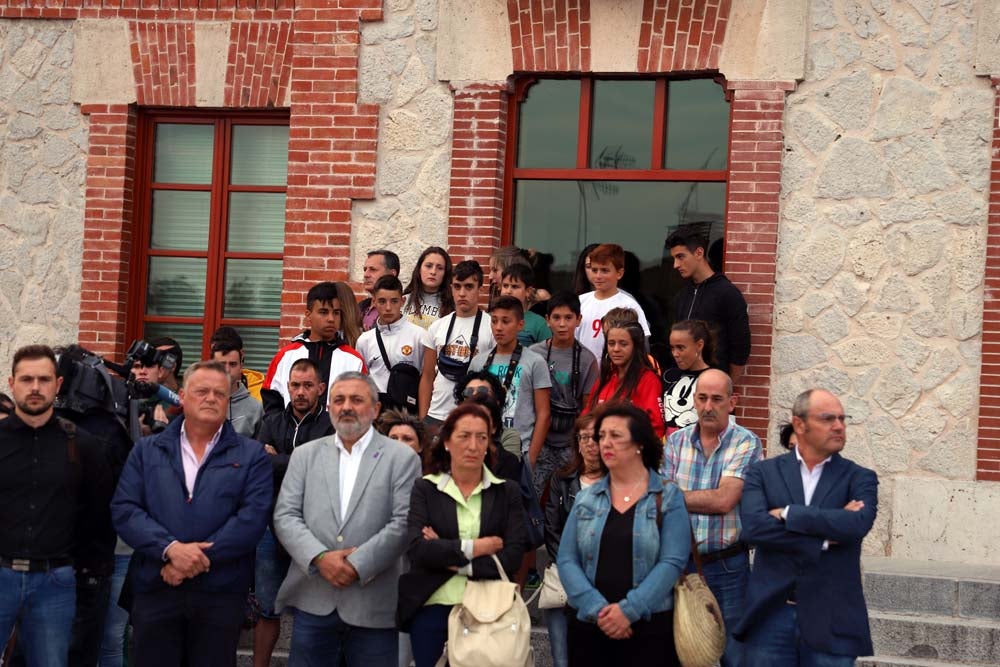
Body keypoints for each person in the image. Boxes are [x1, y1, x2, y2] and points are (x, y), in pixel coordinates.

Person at [111, 360, 272, 667]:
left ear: (228, 402)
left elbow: (252, 518)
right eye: (202, 391)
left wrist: (192, 561)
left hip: (220, 595)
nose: (211, 398)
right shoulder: (147, 450)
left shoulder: (251, 456)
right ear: (182, 396)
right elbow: (125, 509)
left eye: (219, 394)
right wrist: (169, 550)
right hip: (157, 586)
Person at [273, 372, 421, 667]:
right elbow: (285, 515)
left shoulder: (402, 459)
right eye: (338, 400)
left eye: (357, 399)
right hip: (314, 600)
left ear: (376, 409)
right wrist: (320, 558)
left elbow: (403, 522)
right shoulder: (304, 456)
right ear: (329, 407)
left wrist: (356, 564)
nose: (347, 407)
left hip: (374, 604)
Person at [736, 389, 878, 666]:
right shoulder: (763, 473)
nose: (839, 426)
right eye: (828, 419)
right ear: (799, 425)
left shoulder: (859, 477)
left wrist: (790, 514)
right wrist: (823, 538)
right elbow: (754, 529)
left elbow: (856, 524)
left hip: (832, 617)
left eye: (841, 418)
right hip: (770, 616)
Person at [0, 345, 115, 667]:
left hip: (55, 582)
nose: (35, 388)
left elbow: (99, 517)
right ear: (12, 383)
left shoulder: (83, 445)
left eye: (43, 379)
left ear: (58, 384)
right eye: (26, 379)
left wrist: (84, 574)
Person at [396, 403, 528, 667]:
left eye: (482, 437)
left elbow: (512, 555)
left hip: (489, 609)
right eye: (464, 436)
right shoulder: (426, 489)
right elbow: (419, 549)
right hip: (432, 605)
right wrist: (476, 547)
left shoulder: (507, 492)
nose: (473, 445)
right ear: (446, 442)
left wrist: (452, 558)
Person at [557, 403, 688, 665]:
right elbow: (567, 559)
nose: (605, 443)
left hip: (649, 629)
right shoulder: (586, 499)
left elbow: (672, 561)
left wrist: (628, 611)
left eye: (615, 436)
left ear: (639, 443)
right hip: (589, 628)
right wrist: (599, 610)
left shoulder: (667, 496)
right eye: (602, 435)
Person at [662, 368, 762, 667]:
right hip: (681, 564)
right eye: (702, 398)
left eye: (716, 399)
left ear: (732, 402)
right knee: (683, 650)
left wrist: (679, 498)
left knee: (733, 653)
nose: (708, 406)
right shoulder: (676, 442)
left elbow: (724, 500)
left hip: (728, 566)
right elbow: (661, 501)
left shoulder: (746, 442)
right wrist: (681, 499)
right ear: (694, 400)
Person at [253, 359, 334, 667]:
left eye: (307, 386)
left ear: (320, 389)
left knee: (308, 609)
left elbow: (324, 469)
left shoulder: (330, 425)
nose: (300, 392)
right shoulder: (272, 421)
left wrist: (279, 460)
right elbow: (259, 466)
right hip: (270, 527)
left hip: (314, 532)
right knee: (267, 608)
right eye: (295, 385)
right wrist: (300, 461)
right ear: (287, 387)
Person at [542, 414, 603, 667]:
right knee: (562, 657)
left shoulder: (618, 484)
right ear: (576, 443)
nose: (590, 443)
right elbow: (551, 527)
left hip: (603, 580)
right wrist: (571, 567)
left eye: (596, 437)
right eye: (584, 437)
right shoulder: (562, 479)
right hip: (563, 579)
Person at [530, 292, 600, 499]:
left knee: (569, 498)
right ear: (547, 320)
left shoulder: (587, 359)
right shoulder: (534, 354)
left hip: (570, 443)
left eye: (568, 318)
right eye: (556, 318)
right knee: (531, 496)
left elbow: (588, 407)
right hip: (539, 439)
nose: (562, 324)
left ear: (578, 320)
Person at [470, 296, 551, 473]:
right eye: (494, 321)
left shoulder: (535, 362)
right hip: (482, 449)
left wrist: (531, 456)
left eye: (506, 321)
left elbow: (544, 413)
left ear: (520, 325)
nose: (498, 327)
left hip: (519, 451)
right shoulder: (478, 362)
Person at [263, 281, 366, 413]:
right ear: (308, 315)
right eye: (323, 312)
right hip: (291, 432)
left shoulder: (354, 359)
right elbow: (271, 400)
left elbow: (362, 404)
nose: (331, 319)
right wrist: (283, 430)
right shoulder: (285, 356)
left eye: (336, 313)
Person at [667, 228, 752, 384]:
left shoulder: (727, 294)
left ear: (699, 253)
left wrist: (725, 387)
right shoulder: (681, 297)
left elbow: (741, 348)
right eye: (674, 258)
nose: (676, 264)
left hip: (713, 388)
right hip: (683, 389)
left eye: (680, 257)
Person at [418, 260, 495, 432]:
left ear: (480, 290)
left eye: (469, 287)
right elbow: (428, 375)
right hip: (436, 415)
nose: (462, 293)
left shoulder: (492, 327)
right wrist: (423, 418)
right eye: (457, 286)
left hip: (474, 415)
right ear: (451, 288)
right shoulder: (437, 326)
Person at [355, 275, 431, 411]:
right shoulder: (364, 340)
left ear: (402, 301)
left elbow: (427, 380)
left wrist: (422, 418)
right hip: (375, 411)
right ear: (374, 302)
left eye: (394, 301)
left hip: (408, 410)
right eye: (382, 301)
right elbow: (361, 382)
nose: (388, 308)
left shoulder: (420, 336)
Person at [586, 318, 665, 439]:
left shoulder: (648, 380)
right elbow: (586, 417)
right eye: (611, 343)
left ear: (636, 346)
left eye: (623, 344)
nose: (616, 349)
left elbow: (656, 428)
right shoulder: (605, 378)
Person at [574, 243, 651, 363]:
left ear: (619, 273)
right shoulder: (579, 302)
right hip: (583, 374)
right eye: (594, 270)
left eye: (605, 270)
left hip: (616, 376)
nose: (598, 276)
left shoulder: (629, 305)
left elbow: (642, 346)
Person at [452, 371, 521, 479]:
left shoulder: (508, 437)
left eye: (482, 391)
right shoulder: (449, 435)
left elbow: (508, 470)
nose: (474, 397)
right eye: (468, 392)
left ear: (497, 401)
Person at [662, 320, 714, 436]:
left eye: (681, 348)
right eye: (672, 348)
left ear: (699, 345)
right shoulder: (669, 375)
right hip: (670, 449)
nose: (675, 353)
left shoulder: (715, 380)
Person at [209, 326, 263, 438]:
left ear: (241, 364)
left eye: (233, 364)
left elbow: (259, 451)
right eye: (222, 364)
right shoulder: (199, 401)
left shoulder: (256, 408)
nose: (227, 370)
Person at [500, 262, 552, 345]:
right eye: (505, 286)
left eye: (515, 286)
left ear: (528, 291)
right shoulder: (491, 318)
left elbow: (547, 353)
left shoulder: (539, 323)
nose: (508, 291)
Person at [403, 246, 454, 329]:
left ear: (446, 273)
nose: (433, 272)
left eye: (440, 268)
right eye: (428, 266)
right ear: (419, 269)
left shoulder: (452, 305)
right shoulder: (402, 301)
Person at [359, 249, 401, 331]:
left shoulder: (404, 310)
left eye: (373, 269)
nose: (366, 275)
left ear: (392, 274)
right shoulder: (359, 308)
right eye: (365, 269)